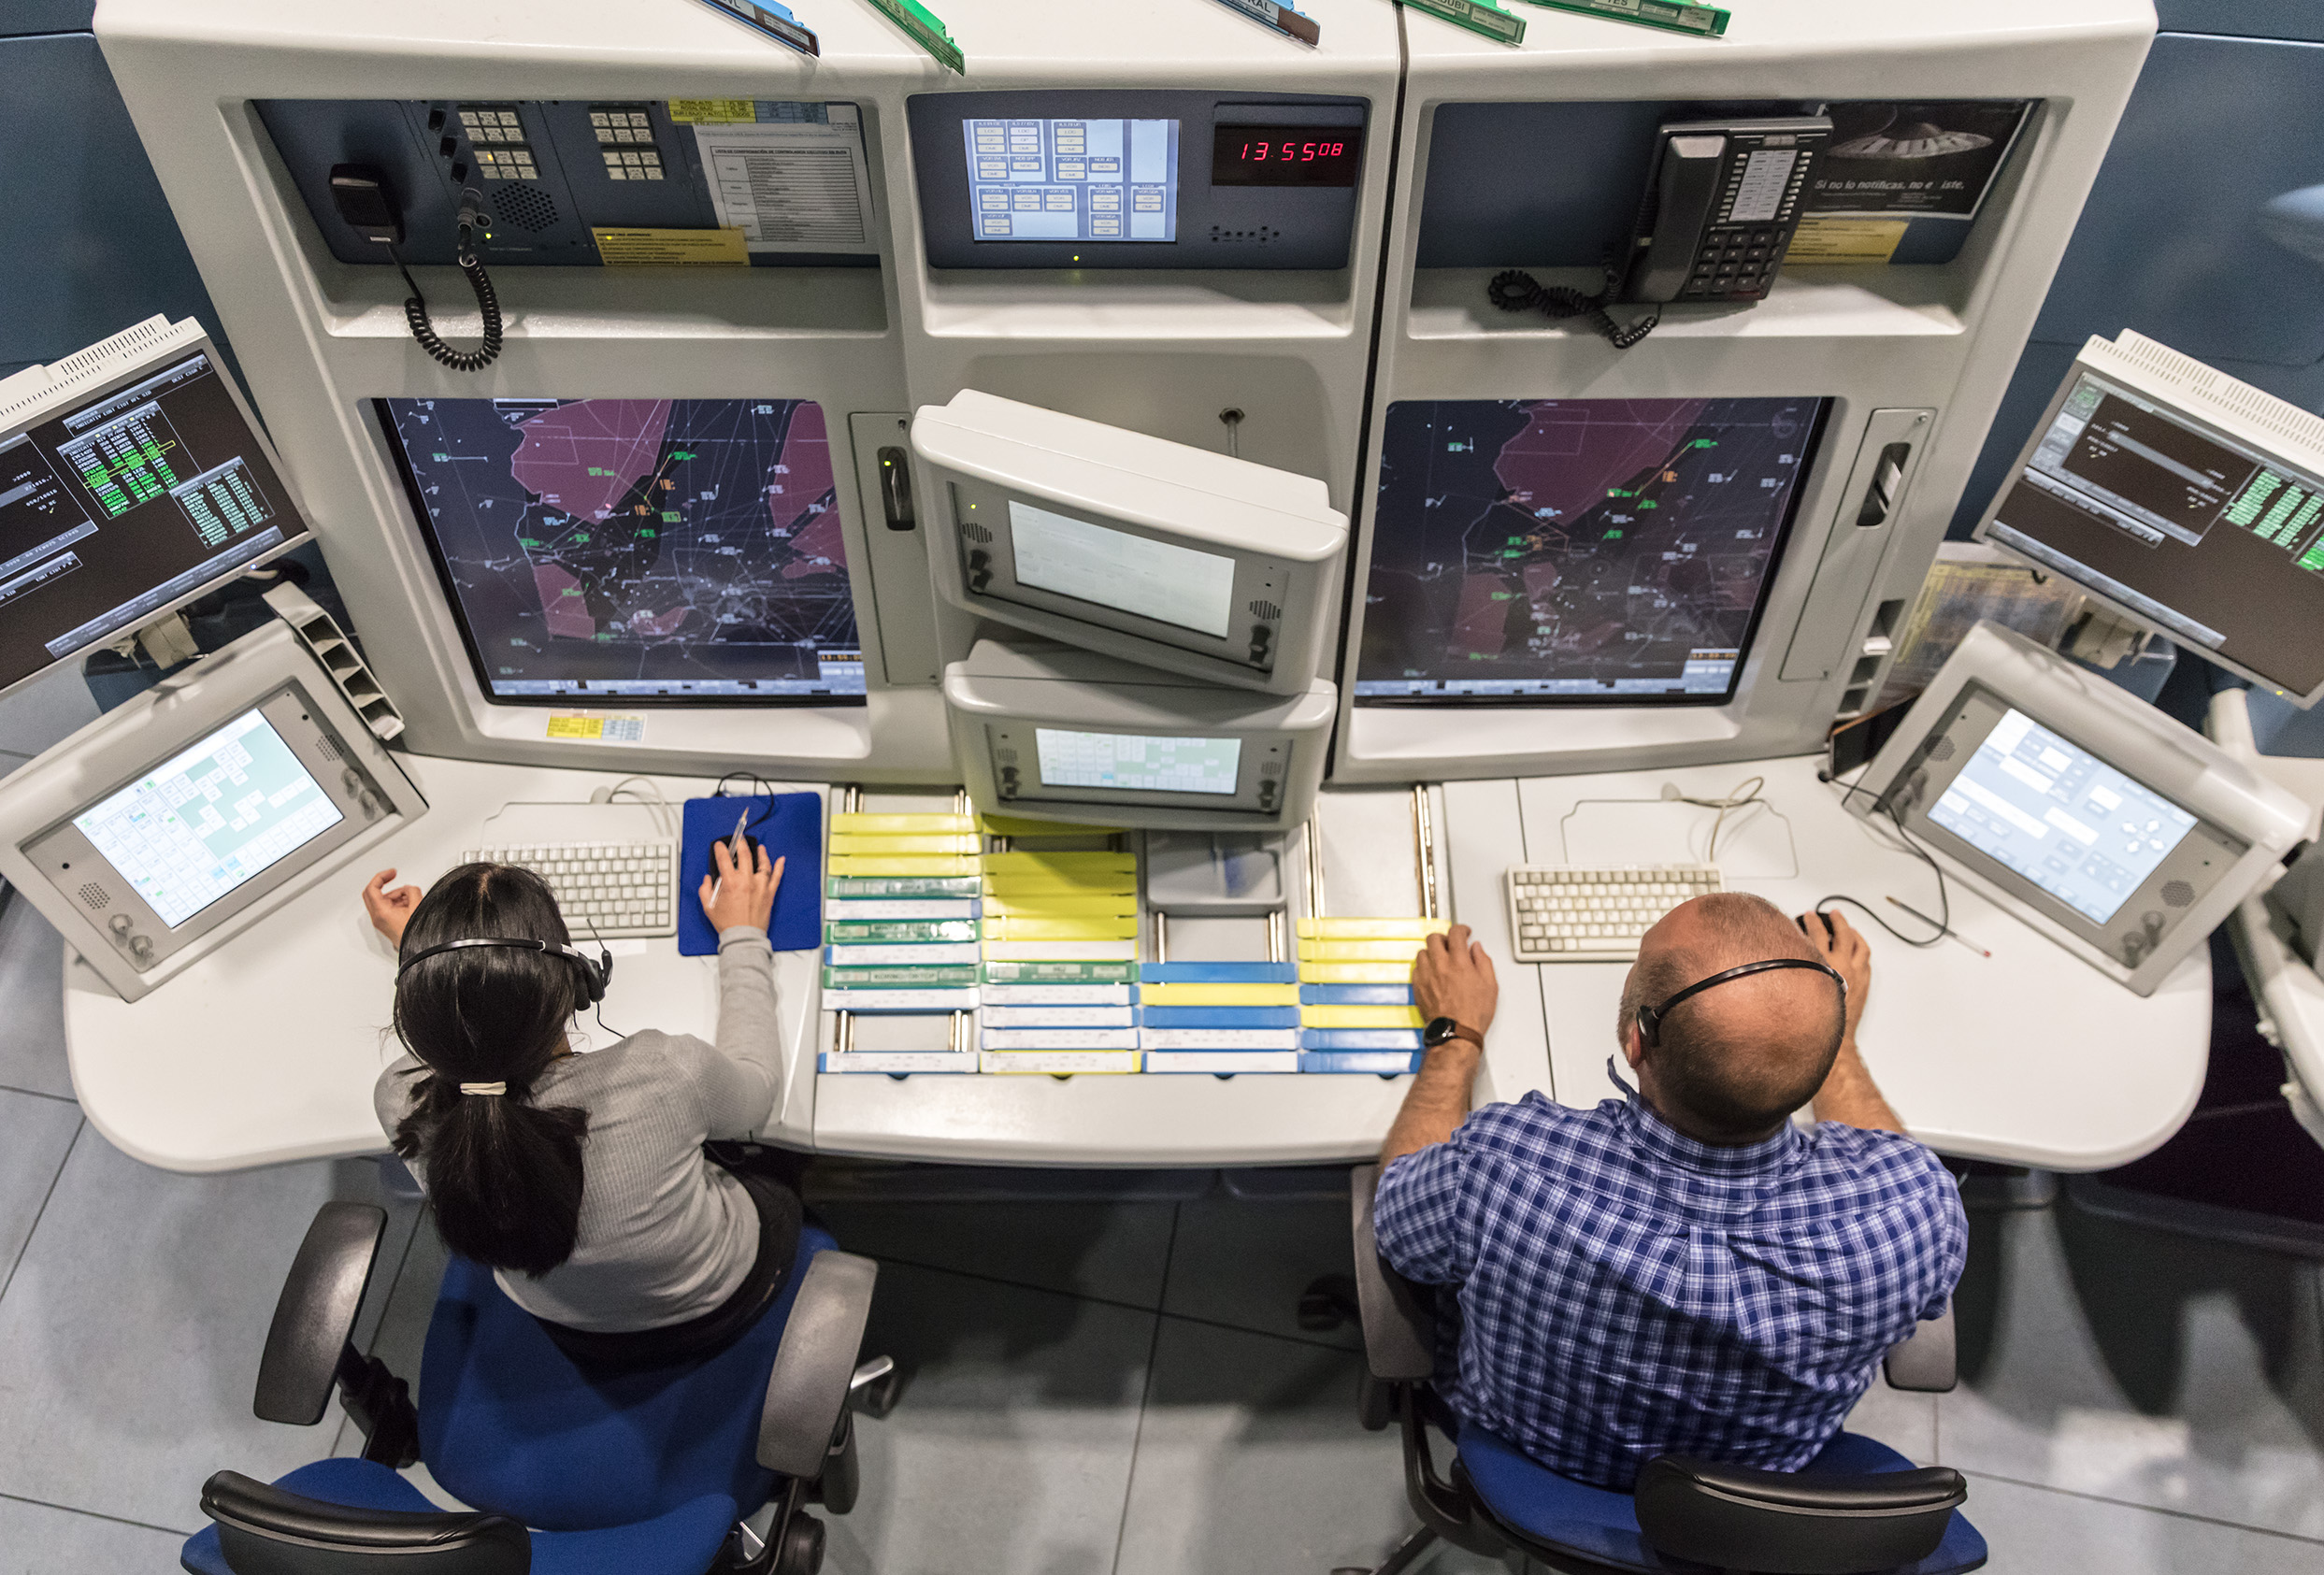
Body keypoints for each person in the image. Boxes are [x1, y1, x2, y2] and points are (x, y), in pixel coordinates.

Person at [1371, 893, 1966, 1491]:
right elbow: (1886, 1157)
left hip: (1531, 1461)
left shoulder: (1507, 1166)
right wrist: (1805, 1035)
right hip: (1755, 1491)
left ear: (1635, 1041)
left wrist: (1455, 1036)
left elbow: (1397, 1213)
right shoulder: (1913, 1210)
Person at [360, 839, 796, 1363]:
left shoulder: (399, 1096)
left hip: (562, 1321)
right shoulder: (664, 1075)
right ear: (579, 980)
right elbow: (758, 1091)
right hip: (715, 1299)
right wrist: (743, 936)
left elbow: (472, 1049)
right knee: (779, 1167)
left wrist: (441, 961)